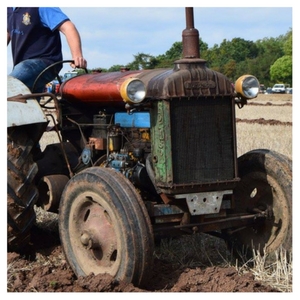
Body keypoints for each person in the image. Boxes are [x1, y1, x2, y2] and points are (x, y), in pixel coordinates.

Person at [7, 7, 87, 93]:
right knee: (22, 103)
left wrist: (77, 56)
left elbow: (68, 27)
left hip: (45, 63)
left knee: (8, 86)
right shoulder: (8, 9)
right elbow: (8, 31)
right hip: (22, 66)